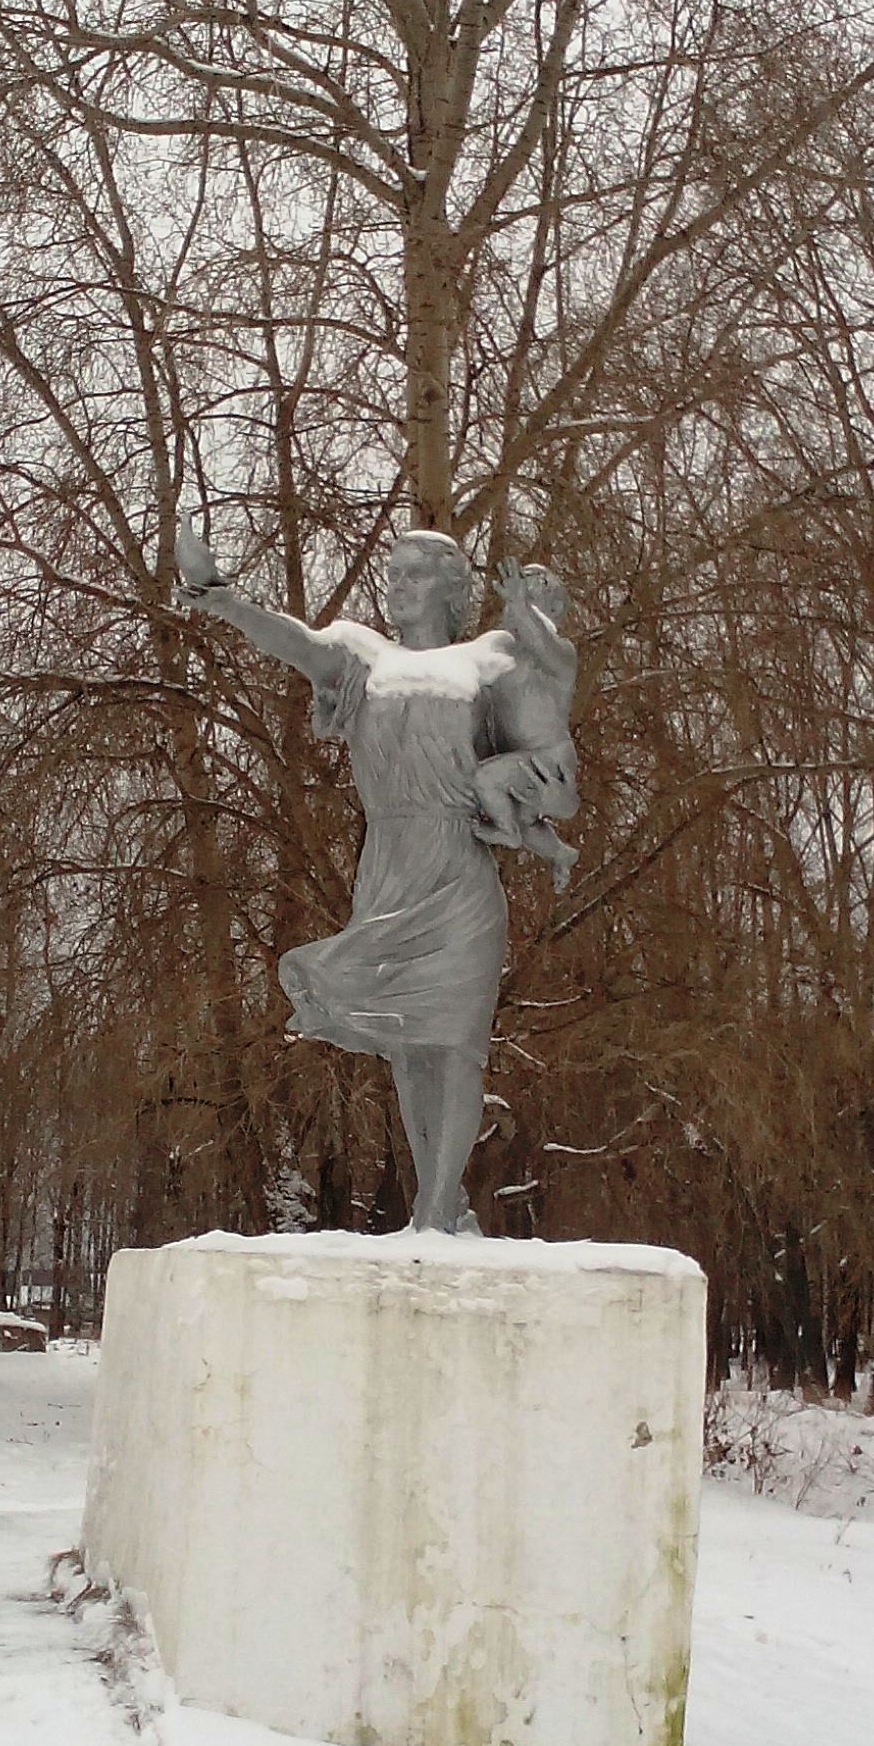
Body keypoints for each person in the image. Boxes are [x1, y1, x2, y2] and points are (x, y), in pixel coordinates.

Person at [174, 517, 577, 1232]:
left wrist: (534, 628)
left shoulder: (488, 661)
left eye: (414, 575)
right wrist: (224, 599)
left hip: (459, 870)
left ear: (452, 589)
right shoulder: (362, 657)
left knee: (454, 1042)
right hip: (389, 868)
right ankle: (439, 1201)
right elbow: (294, 640)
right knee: (411, 1049)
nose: (396, 587)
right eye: (391, 574)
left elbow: (552, 752)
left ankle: (434, 1208)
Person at [470, 561, 578, 887]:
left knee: (487, 782)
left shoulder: (561, 655)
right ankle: (559, 853)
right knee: (524, 816)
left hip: (548, 758)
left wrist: (519, 606)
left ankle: (507, 832)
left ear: (554, 608)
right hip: (520, 757)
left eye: (532, 592)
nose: (515, 599)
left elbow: (541, 642)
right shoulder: (501, 657)